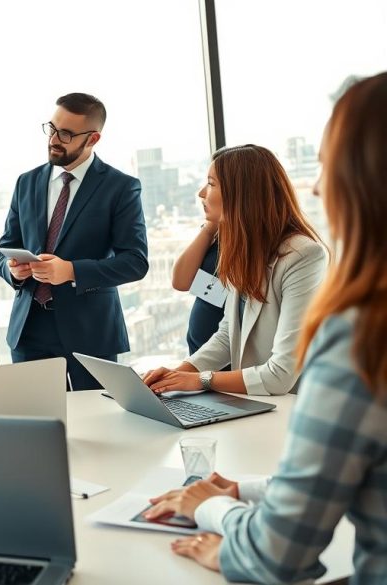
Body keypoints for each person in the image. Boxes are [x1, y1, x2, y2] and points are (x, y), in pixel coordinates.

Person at [142, 72, 387, 583]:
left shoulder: (363, 340)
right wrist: (244, 490)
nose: (318, 186)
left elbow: (276, 555)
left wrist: (208, 508)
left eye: (327, 165)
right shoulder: (246, 251)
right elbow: (228, 337)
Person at [0, 92, 148, 391]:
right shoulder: (27, 182)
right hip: (29, 331)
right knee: (36, 430)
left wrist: (71, 271)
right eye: (51, 128)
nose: (53, 139)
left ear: (93, 139)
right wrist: (12, 270)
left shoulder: (121, 187)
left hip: (91, 334)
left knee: (97, 429)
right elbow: (3, 248)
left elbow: (135, 262)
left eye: (65, 134)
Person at [144, 145, 325, 396]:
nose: (201, 193)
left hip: (288, 409)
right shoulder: (244, 248)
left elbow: (280, 374)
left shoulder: (304, 256)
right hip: (252, 404)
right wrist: (174, 375)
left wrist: (199, 380)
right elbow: (228, 335)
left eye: (211, 184)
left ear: (241, 194)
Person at [172, 220, 227, 356]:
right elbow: (181, 281)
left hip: (226, 357)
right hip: (202, 355)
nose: (201, 197)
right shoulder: (219, 232)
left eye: (208, 196)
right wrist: (209, 229)